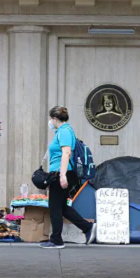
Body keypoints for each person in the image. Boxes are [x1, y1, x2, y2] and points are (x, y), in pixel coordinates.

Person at [41, 106, 97, 249]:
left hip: (62, 173)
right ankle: (87, 227)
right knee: (62, 207)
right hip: (62, 172)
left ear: (54, 119)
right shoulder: (62, 131)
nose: (50, 121)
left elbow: (66, 154)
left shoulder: (64, 132)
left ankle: (56, 240)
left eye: (50, 119)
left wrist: (62, 175)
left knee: (54, 207)